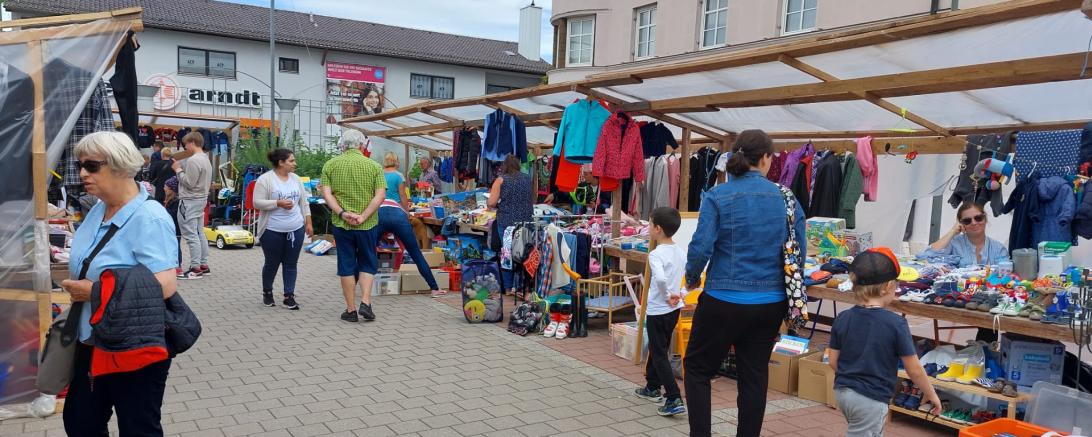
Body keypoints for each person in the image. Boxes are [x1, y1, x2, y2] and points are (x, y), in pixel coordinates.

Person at [683, 129, 805, 437]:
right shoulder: (786, 197)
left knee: (698, 369)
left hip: (723, 300)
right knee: (754, 376)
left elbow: (701, 246)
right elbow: (798, 250)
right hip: (770, 303)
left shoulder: (718, 195)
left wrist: (692, 277)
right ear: (765, 158)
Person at [61, 132, 179, 437]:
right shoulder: (98, 209)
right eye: (79, 165)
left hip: (132, 345)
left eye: (91, 165)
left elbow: (165, 284)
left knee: (138, 429)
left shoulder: (150, 217)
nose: (82, 173)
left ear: (121, 166)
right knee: (80, 423)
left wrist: (93, 291)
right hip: (91, 339)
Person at [829, 248, 942, 436]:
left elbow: (833, 360)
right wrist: (931, 395)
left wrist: (852, 380)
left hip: (843, 392)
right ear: (888, 287)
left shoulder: (843, 317)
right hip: (871, 397)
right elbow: (914, 369)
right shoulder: (896, 323)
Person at [321, 129, 386, 323]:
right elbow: (380, 195)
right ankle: (365, 301)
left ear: (342, 145)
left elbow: (327, 194)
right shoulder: (374, 166)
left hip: (342, 224)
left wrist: (342, 213)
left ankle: (351, 310)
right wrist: (363, 216)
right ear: (362, 145)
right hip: (367, 225)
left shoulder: (330, 165)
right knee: (367, 262)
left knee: (346, 264)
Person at [634, 207, 688, 417]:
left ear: (658, 228)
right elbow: (690, 277)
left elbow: (661, 279)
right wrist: (680, 294)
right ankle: (652, 386)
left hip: (658, 309)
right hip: (674, 309)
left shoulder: (656, 254)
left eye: (649, 224)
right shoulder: (680, 252)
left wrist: (666, 295)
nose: (647, 227)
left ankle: (673, 397)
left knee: (658, 353)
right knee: (660, 347)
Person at [377, 152, 445, 297]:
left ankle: (357, 283)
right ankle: (434, 288)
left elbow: (375, 196)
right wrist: (407, 213)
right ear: (396, 161)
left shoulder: (379, 175)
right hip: (398, 215)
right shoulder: (399, 176)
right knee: (415, 252)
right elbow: (403, 196)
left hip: (380, 213)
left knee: (368, 249)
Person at [253, 149, 314, 310]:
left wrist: (308, 223)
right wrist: (277, 203)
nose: (295, 164)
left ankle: (289, 296)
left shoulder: (296, 179)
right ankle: (267, 292)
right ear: (281, 162)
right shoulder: (265, 179)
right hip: (271, 230)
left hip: (296, 228)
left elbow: (304, 202)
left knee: (291, 263)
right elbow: (256, 202)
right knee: (272, 263)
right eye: (291, 161)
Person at [487, 155, 533, 294]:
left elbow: (491, 202)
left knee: (507, 254)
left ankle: (507, 288)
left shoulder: (501, 180)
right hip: (525, 222)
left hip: (507, 223)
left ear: (504, 166)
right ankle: (523, 286)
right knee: (524, 253)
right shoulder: (528, 179)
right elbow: (533, 198)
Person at [919, 201, 1010, 267]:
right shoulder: (953, 243)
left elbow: (1006, 273)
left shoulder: (998, 249)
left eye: (978, 218)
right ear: (961, 223)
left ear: (985, 219)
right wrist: (952, 231)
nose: (974, 223)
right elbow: (925, 257)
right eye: (967, 221)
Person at [172, 132, 212, 279]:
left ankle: (195, 268)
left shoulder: (193, 160)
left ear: (192, 142)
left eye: (186, 144)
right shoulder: (205, 158)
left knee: (190, 235)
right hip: (201, 199)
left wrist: (178, 170)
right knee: (199, 233)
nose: (185, 147)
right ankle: (203, 264)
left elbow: (189, 182)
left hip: (189, 201)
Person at [163, 176, 183, 275]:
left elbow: (173, 215)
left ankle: (178, 266)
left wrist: (164, 211)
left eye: (166, 187)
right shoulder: (169, 200)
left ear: (172, 189)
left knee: (176, 247)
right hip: (170, 228)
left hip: (176, 229)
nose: (164, 188)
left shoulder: (176, 201)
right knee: (172, 246)